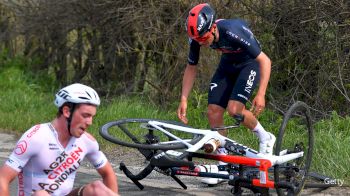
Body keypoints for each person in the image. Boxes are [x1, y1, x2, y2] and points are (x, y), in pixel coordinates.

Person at [177, 3, 276, 184]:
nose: (201, 42)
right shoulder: (196, 37)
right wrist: (184, 98)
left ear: (213, 27)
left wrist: (261, 93)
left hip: (249, 64)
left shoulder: (232, 31)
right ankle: (223, 162)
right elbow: (191, 67)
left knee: (234, 109)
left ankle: (265, 136)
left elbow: (265, 60)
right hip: (228, 65)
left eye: (203, 38)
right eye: (197, 39)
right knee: (213, 111)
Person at [0, 83, 119, 196]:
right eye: (85, 115)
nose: (90, 122)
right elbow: (3, 179)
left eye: (92, 117)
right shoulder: (36, 137)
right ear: (67, 111)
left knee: (97, 188)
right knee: (41, 194)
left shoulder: (87, 141)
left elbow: (108, 173)